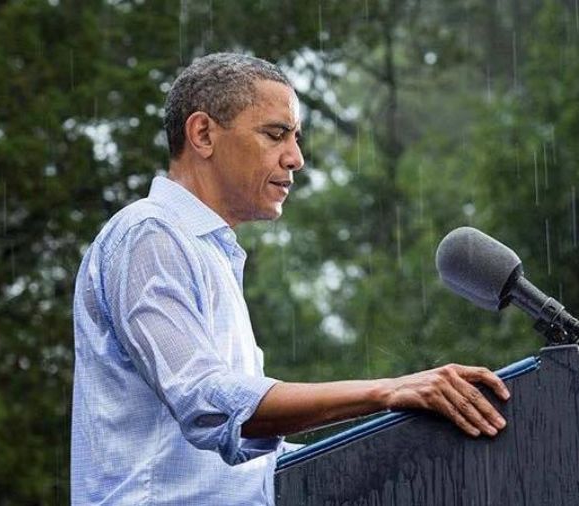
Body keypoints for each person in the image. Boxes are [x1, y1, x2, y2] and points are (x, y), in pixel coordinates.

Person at [71, 52, 510, 505]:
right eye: (275, 134)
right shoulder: (149, 234)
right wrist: (387, 392)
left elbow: (254, 463)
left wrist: (418, 447)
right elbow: (208, 400)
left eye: (296, 138)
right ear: (202, 133)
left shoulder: (208, 252)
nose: (296, 158)